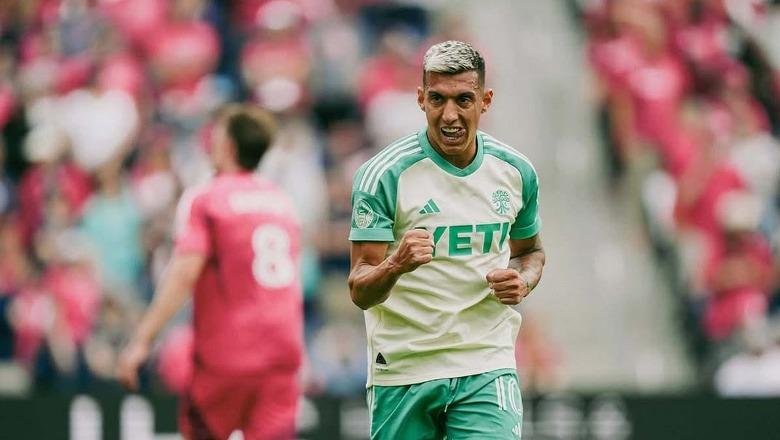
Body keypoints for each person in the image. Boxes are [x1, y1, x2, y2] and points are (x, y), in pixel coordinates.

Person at [348, 40, 546, 439]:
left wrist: (523, 280)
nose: (450, 115)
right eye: (437, 99)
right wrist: (396, 264)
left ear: (485, 101)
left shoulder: (515, 171)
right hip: (404, 369)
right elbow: (359, 290)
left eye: (463, 100)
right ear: (421, 99)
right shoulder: (384, 175)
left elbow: (531, 252)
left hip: (486, 363)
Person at [116, 104, 304, 440]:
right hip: (283, 350)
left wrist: (142, 340)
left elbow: (183, 273)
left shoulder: (207, 198)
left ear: (228, 146)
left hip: (228, 355)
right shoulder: (282, 202)